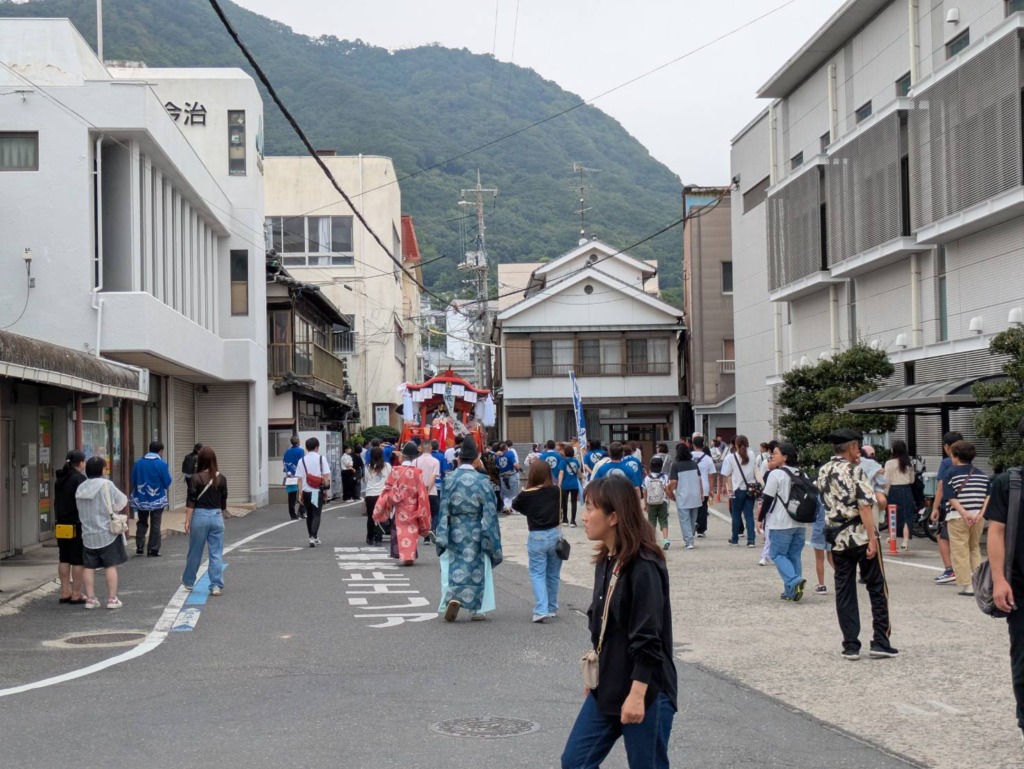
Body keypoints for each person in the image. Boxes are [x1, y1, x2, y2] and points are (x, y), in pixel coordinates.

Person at [561, 476, 677, 769]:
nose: (584, 516)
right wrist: (596, 673)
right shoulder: (607, 560)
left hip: (646, 688)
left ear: (614, 516)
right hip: (609, 683)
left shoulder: (644, 566)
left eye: (590, 508)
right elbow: (603, 625)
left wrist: (637, 695)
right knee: (575, 762)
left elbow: (649, 637)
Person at [817, 429, 897, 660]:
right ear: (852, 447)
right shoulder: (855, 470)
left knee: (844, 590)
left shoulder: (823, 471)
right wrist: (873, 539)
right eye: (857, 447)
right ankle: (880, 641)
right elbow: (864, 506)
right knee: (876, 587)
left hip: (838, 539)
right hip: (861, 536)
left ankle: (850, 644)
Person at [983, 416, 1024, 744]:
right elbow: (995, 531)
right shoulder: (1009, 483)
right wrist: (999, 579)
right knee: (1023, 658)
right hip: (1020, 587)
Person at [436, 437, 503, 621]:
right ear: (475, 459)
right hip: (476, 528)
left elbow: (443, 509)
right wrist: (491, 536)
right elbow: (490, 509)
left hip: (455, 528)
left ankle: (451, 598)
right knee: (479, 566)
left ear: (459, 459)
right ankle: (478, 609)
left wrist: (442, 534)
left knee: (452, 565)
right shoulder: (482, 480)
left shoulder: (449, 479)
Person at [75, 456, 129, 610]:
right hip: (107, 533)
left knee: (89, 567)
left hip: (87, 534)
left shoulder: (81, 487)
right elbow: (122, 500)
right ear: (102, 470)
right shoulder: (106, 484)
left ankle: (90, 599)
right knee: (110, 565)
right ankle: (112, 599)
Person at [759, 443, 812, 601]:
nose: (772, 456)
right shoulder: (803, 474)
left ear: (785, 457)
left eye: (775, 453)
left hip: (781, 522)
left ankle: (794, 580)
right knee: (794, 555)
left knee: (777, 554)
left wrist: (760, 519)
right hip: (800, 522)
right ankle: (792, 591)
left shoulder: (776, 474)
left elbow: (767, 498)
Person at [512, 461, 563, 623]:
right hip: (555, 534)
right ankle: (552, 607)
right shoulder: (556, 490)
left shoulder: (527, 494)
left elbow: (515, 505)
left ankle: (541, 609)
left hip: (537, 536)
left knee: (537, 573)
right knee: (553, 574)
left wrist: (531, 512)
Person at [942, 440, 990, 596]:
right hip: (978, 517)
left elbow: (950, 496)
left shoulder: (950, 472)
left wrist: (964, 512)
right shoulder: (982, 474)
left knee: (959, 550)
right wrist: (981, 514)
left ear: (955, 456)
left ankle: (967, 585)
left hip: (958, 516)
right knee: (974, 548)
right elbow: (988, 496)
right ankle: (978, 583)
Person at [372, 442, 431, 566]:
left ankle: (404, 555)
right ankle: (410, 556)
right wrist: (423, 511)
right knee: (411, 531)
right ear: (414, 457)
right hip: (413, 508)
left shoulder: (396, 471)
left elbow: (388, 489)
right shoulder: (417, 473)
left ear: (402, 456)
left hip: (399, 508)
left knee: (401, 531)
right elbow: (422, 494)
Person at [181, 447, 229, 596]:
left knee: (195, 550)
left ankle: (189, 581)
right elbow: (223, 500)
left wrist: (187, 520)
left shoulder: (196, 478)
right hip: (216, 516)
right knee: (216, 552)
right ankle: (216, 585)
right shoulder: (221, 478)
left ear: (199, 460)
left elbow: (191, 501)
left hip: (200, 517)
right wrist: (221, 516)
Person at [930, 431, 964, 585]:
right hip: (968, 505)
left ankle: (950, 569)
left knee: (942, 537)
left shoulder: (946, 462)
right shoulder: (969, 461)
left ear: (947, 447)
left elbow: (941, 487)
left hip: (949, 505)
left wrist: (935, 507)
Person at [129, 440, 173, 557]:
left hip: (141, 497)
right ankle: (153, 549)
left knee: (142, 521)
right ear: (161, 451)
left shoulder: (138, 463)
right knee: (155, 523)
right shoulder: (161, 464)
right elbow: (167, 481)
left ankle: (139, 547)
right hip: (157, 498)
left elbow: (133, 479)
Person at [54, 450, 87, 605]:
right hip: (76, 523)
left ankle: (64, 591)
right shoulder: (79, 479)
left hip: (61, 524)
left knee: (64, 558)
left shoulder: (60, 478)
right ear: (80, 463)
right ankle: (76, 593)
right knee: (78, 559)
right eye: (84, 462)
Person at [722, 435, 757, 547]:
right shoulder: (752, 454)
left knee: (736, 515)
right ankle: (751, 540)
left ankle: (735, 539)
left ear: (736, 444)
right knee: (749, 515)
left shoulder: (731, 457)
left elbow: (726, 474)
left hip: (737, 490)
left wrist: (725, 488)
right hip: (751, 489)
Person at [297, 436, 331, 547]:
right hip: (316, 491)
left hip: (306, 491)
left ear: (306, 448)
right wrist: (326, 490)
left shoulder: (301, 460)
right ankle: (313, 536)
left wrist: (300, 493)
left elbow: (300, 478)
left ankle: (311, 536)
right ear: (317, 447)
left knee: (309, 515)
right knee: (316, 514)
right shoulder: (321, 458)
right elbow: (326, 475)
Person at [667, 443, 702, 550]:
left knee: (684, 519)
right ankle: (690, 538)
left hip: (683, 495)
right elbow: (700, 480)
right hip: (695, 495)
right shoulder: (694, 464)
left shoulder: (675, 465)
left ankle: (688, 541)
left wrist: (669, 491)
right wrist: (701, 493)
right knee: (692, 519)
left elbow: (673, 482)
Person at [883, 441, 917, 550]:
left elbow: (886, 480)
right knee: (907, 515)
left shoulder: (889, 463)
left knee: (893, 514)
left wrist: (886, 493)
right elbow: (912, 480)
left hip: (894, 490)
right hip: (907, 490)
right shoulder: (909, 462)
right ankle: (905, 542)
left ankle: (892, 538)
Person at [412, 440, 441, 541]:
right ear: (431, 449)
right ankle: (432, 529)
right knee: (435, 512)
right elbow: (434, 476)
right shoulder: (435, 461)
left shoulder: (415, 461)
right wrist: (428, 487)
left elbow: (414, 477)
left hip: (419, 492)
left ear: (421, 449)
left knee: (422, 513)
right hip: (432, 491)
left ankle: (425, 535)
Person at [363, 447, 392, 545]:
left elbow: (366, 480)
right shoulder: (387, 466)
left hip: (370, 494)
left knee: (371, 517)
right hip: (382, 495)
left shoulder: (367, 467)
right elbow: (391, 479)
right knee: (381, 516)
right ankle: (378, 536)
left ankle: (370, 537)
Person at [643, 456, 671, 550]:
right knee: (663, 521)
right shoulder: (665, 477)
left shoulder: (647, 478)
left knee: (652, 522)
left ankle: (652, 541)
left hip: (651, 502)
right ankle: (666, 539)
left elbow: (645, 491)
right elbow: (667, 489)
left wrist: (646, 504)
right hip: (663, 501)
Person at [690, 436, 715, 537]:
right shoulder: (708, 459)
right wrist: (711, 489)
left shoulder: (688, 456)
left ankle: (692, 525)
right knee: (703, 509)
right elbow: (711, 476)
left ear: (693, 445)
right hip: (704, 487)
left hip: (690, 487)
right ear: (703, 445)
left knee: (691, 508)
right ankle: (701, 530)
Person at [282, 435, 305, 520]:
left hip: (290, 475)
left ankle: (292, 514)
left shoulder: (287, 451)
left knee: (291, 495)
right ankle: (301, 511)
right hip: (299, 475)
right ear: (298, 442)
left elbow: (284, 463)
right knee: (302, 492)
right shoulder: (301, 451)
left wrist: (288, 472)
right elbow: (302, 462)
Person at [559, 445, 583, 526]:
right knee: (574, 502)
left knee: (564, 502)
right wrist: (583, 478)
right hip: (574, 484)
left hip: (565, 485)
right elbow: (579, 472)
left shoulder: (563, 461)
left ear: (565, 453)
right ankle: (573, 521)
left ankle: (565, 520)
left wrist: (559, 483)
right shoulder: (576, 461)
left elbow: (561, 473)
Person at [496, 442, 519, 514]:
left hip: (502, 476)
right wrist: (520, 469)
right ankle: (513, 507)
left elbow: (497, 466)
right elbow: (515, 464)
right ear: (506, 448)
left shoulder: (497, 458)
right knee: (514, 492)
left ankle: (506, 506)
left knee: (505, 493)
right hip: (511, 474)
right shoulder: (510, 454)